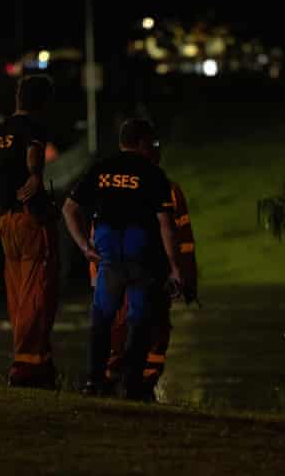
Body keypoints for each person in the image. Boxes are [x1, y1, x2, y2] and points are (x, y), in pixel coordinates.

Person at [62, 118, 182, 400]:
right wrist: (175, 268)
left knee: (102, 317)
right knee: (138, 318)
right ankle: (131, 384)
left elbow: (69, 209)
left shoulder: (101, 169)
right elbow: (166, 223)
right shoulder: (154, 175)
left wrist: (83, 246)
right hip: (141, 254)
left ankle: (93, 381)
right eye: (151, 143)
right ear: (141, 142)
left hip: (108, 255)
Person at [89, 136, 199, 400]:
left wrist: (95, 274)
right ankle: (131, 384)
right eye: (154, 146)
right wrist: (184, 277)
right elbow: (179, 237)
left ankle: (122, 383)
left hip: (134, 273)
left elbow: (97, 232)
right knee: (142, 327)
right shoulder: (163, 188)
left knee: (136, 326)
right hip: (144, 273)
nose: (157, 152)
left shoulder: (110, 184)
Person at [0, 75, 60, 389]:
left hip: (6, 224)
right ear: (42, 103)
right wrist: (36, 176)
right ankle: (26, 365)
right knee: (37, 291)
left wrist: (1, 215)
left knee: (17, 294)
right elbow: (33, 163)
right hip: (31, 221)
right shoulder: (34, 129)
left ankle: (37, 362)